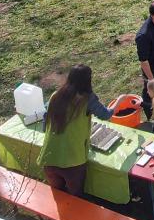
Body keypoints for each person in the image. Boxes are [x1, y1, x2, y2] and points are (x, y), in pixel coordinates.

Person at [37, 64, 112, 196]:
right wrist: (120, 101)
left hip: (49, 157)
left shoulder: (56, 95)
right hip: (72, 161)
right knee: (75, 198)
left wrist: (46, 130)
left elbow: (45, 117)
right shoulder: (88, 99)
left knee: (57, 195)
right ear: (87, 80)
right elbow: (106, 115)